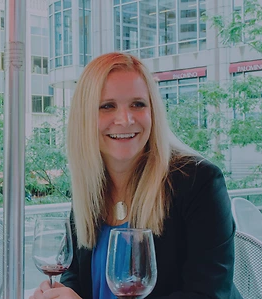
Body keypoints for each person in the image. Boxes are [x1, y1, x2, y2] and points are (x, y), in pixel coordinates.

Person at [31, 52, 240, 299]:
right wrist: (63, 293)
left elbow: (207, 295)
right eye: (107, 106)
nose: (125, 119)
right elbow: (77, 273)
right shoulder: (91, 185)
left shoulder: (199, 181)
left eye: (138, 104)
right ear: (84, 117)